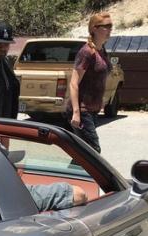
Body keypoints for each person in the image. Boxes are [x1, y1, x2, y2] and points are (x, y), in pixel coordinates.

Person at [66, 12, 114, 153]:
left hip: (92, 110)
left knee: (82, 155)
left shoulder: (102, 51)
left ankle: (69, 175)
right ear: (94, 28)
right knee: (93, 152)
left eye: (111, 26)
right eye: (106, 26)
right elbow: (74, 83)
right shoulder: (87, 52)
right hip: (82, 110)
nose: (110, 30)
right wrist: (76, 113)